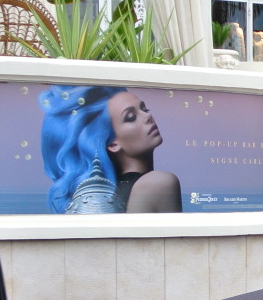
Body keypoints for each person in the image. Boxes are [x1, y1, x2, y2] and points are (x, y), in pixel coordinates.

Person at [39, 85, 181, 214]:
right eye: (131, 117)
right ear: (112, 144)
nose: (148, 116)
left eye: (144, 109)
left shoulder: (106, 198)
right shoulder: (158, 183)